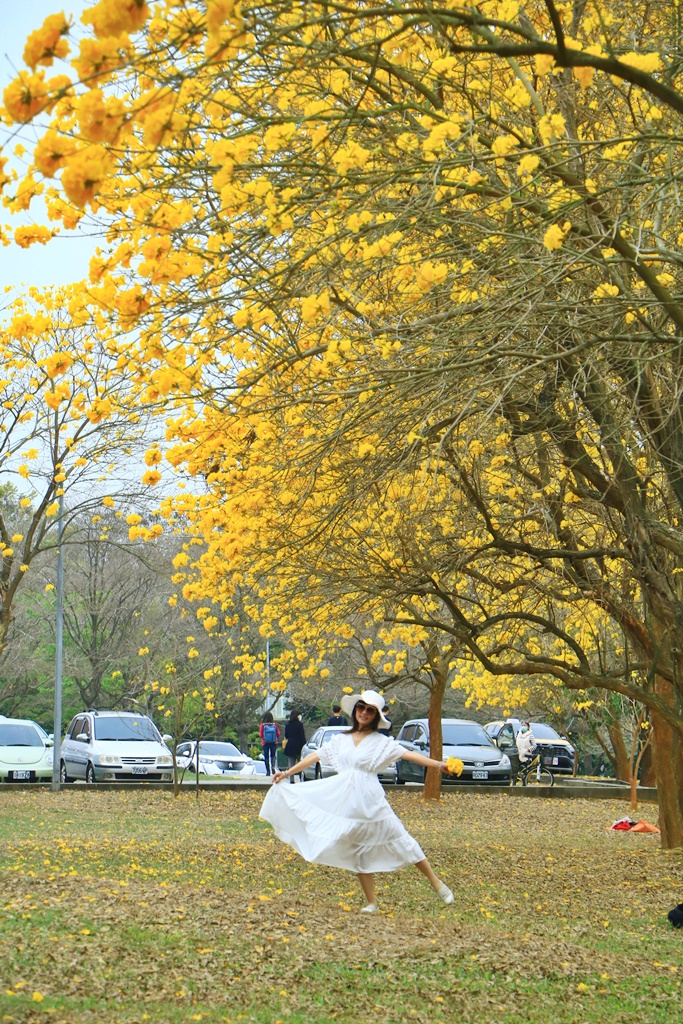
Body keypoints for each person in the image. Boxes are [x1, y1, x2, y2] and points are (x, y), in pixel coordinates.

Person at [260, 689, 456, 913]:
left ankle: (437, 884)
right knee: (359, 851)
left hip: (371, 800)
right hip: (345, 800)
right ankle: (371, 902)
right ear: (355, 711)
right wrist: (286, 773)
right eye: (361, 708)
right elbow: (315, 756)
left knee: (402, 838)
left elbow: (407, 754)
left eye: (370, 710)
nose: (364, 712)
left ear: (376, 716)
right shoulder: (341, 739)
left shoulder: (381, 742)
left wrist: (438, 765)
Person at [283, 709, 306, 783]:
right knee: (300, 763)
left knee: (291, 763)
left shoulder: (287, 725)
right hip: (299, 745)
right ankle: (300, 777)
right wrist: (304, 744)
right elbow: (302, 736)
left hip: (290, 745)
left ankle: (291, 779)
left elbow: (286, 735)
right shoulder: (300, 725)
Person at [259, 711, 281, 777]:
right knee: (273, 756)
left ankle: (268, 771)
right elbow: (278, 734)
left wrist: (264, 738)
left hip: (265, 742)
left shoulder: (262, 725)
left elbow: (261, 734)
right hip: (274, 742)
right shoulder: (275, 725)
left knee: (266, 756)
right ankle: (273, 767)